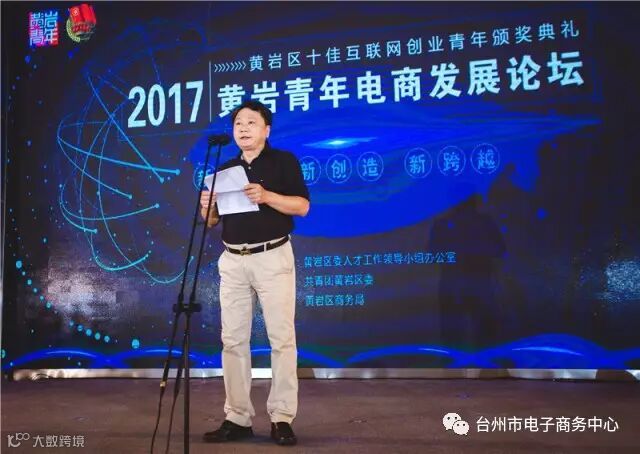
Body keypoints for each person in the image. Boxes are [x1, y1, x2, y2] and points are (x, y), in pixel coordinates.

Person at [199, 100, 310, 446]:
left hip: (272, 256)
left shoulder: (283, 162)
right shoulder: (226, 169)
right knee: (232, 340)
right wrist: (207, 208)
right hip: (233, 260)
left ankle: (282, 418)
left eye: (251, 122)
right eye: (238, 124)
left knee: (281, 339)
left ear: (266, 130)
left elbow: (302, 206)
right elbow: (212, 222)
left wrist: (266, 195)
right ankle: (237, 417)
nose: (243, 128)